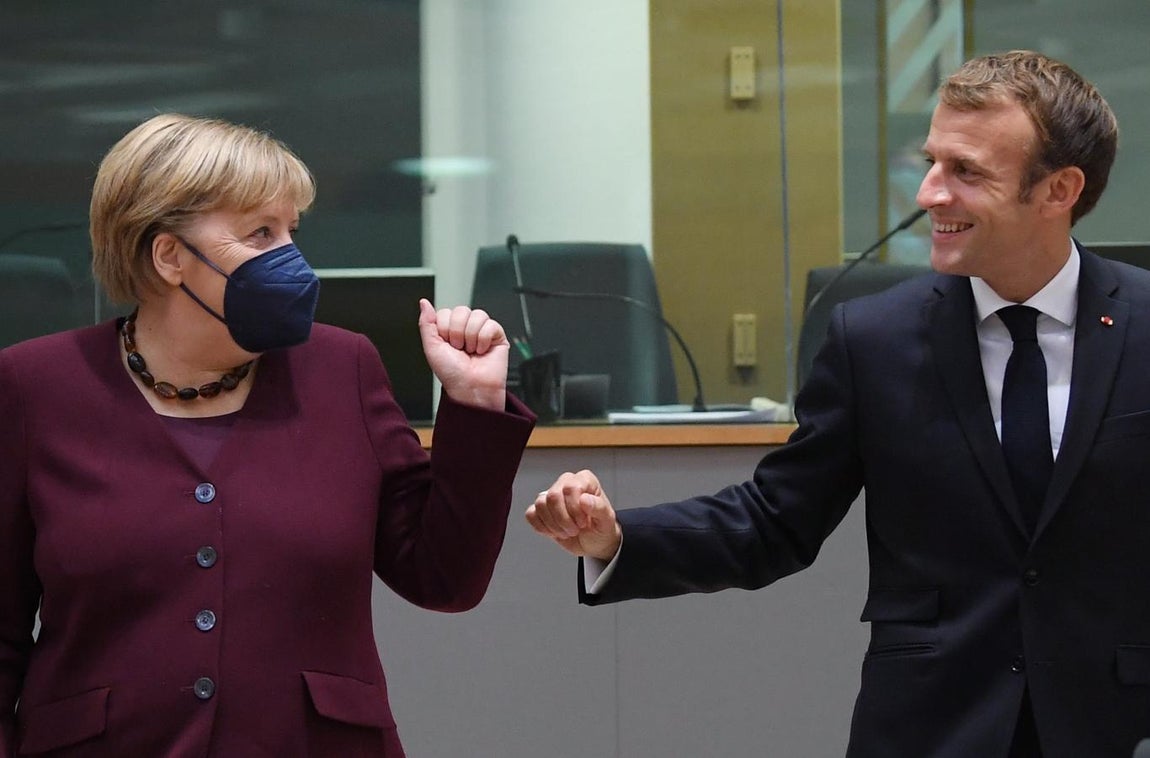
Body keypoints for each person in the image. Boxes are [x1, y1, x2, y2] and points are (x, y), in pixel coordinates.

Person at [526, 50, 1146, 758]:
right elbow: (774, 522)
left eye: (966, 171)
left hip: (1115, 728)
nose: (930, 193)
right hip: (930, 729)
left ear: (1059, 189)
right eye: (932, 161)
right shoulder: (873, 340)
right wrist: (615, 540)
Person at [0, 113, 535, 757]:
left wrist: (474, 404)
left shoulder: (343, 369)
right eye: (259, 233)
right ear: (170, 256)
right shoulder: (35, 385)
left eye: (291, 231)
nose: (290, 258)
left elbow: (443, 579)